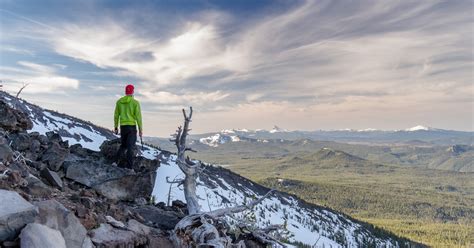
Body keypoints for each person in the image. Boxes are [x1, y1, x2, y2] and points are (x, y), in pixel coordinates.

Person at [114, 84, 143, 168]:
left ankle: (115, 162)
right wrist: (140, 130)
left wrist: (116, 127)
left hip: (123, 127)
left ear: (125, 91)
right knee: (130, 147)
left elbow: (116, 115)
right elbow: (139, 117)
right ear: (133, 92)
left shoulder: (119, 102)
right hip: (131, 127)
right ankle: (130, 167)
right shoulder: (135, 103)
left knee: (123, 145)